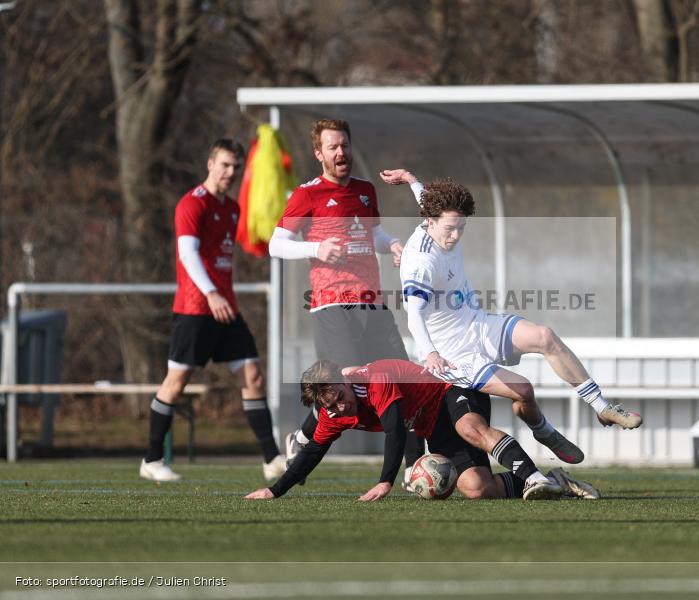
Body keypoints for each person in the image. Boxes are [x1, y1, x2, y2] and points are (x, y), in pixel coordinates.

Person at [378, 169, 643, 465]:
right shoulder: (420, 262)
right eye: (450, 229)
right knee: (524, 391)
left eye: (461, 228)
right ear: (431, 220)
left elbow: (425, 198)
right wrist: (430, 354)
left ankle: (601, 405)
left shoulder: (435, 216)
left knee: (545, 336)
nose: (455, 235)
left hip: (478, 323)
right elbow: (413, 314)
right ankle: (544, 431)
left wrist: (412, 180)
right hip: (454, 353)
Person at [269, 119, 425, 485]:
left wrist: (393, 246)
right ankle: (304, 438)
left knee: (405, 384)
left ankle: (414, 470)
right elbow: (276, 244)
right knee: (346, 384)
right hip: (332, 305)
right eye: (333, 147)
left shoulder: (365, 190)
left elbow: (374, 234)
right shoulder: (307, 194)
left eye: (345, 146)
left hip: (372, 304)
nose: (341, 153)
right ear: (318, 153)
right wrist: (316, 247)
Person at [244, 359, 599, 501]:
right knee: (477, 488)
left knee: (470, 426)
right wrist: (276, 490)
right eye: (330, 406)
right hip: (431, 422)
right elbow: (311, 453)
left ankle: (533, 476)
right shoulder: (331, 413)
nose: (339, 407)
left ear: (344, 381)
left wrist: (386, 479)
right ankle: (557, 482)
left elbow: (396, 429)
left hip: (451, 389)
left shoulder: (376, 380)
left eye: (339, 397)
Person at [140, 139, 286, 482]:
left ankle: (272, 459)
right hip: (195, 307)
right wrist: (210, 293)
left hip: (226, 308)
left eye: (236, 166)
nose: (230, 172)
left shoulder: (233, 209)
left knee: (253, 376)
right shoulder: (192, 204)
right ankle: (151, 459)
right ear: (210, 164)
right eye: (224, 165)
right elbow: (187, 254)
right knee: (176, 383)